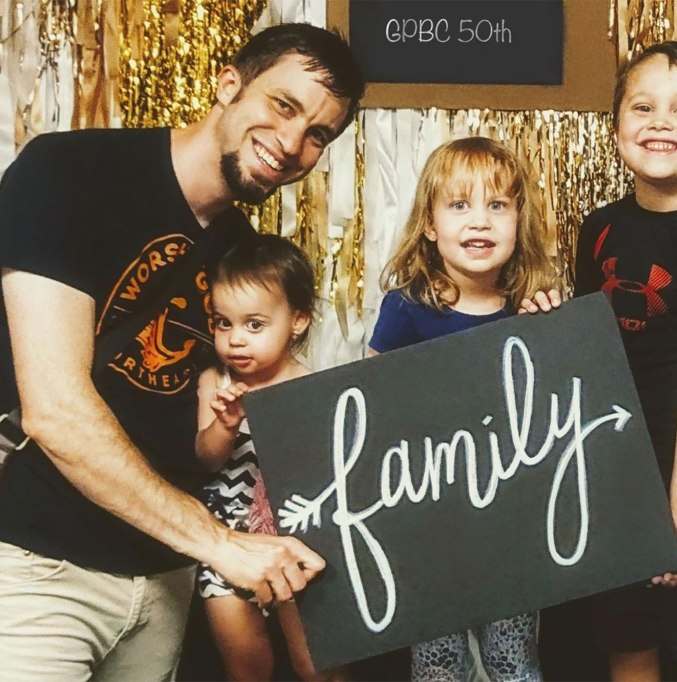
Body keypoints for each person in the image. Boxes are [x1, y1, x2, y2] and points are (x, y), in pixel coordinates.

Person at [0, 23, 364, 680]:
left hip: (166, 582)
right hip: (40, 568)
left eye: (318, 135)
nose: (292, 144)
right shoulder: (68, 172)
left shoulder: (241, 254)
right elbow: (55, 410)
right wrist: (222, 543)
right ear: (229, 84)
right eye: (283, 105)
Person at [527, 41, 677, 682]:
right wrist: (546, 323)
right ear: (617, 124)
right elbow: (588, 352)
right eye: (643, 107)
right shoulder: (598, 228)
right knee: (625, 636)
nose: (661, 123)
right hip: (616, 465)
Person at [368, 136, 555, 682]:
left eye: (497, 205)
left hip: (509, 532)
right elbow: (372, 404)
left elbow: (550, 415)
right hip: (430, 531)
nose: (479, 221)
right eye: (459, 204)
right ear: (430, 224)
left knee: (513, 662)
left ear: (518, 221)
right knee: (438, 665)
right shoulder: (406, 309)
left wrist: (550, 333)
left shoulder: (530, 312)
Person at [195, 234, 340, 681]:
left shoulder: (312, 387)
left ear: (298, 319)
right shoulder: (215, 382)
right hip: (226, 540)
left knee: (316, 666)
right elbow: (206, 461)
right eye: (223, 323)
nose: (235, 340)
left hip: (296, 541)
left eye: (254, 325)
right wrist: (225, 425)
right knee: (248, 666)